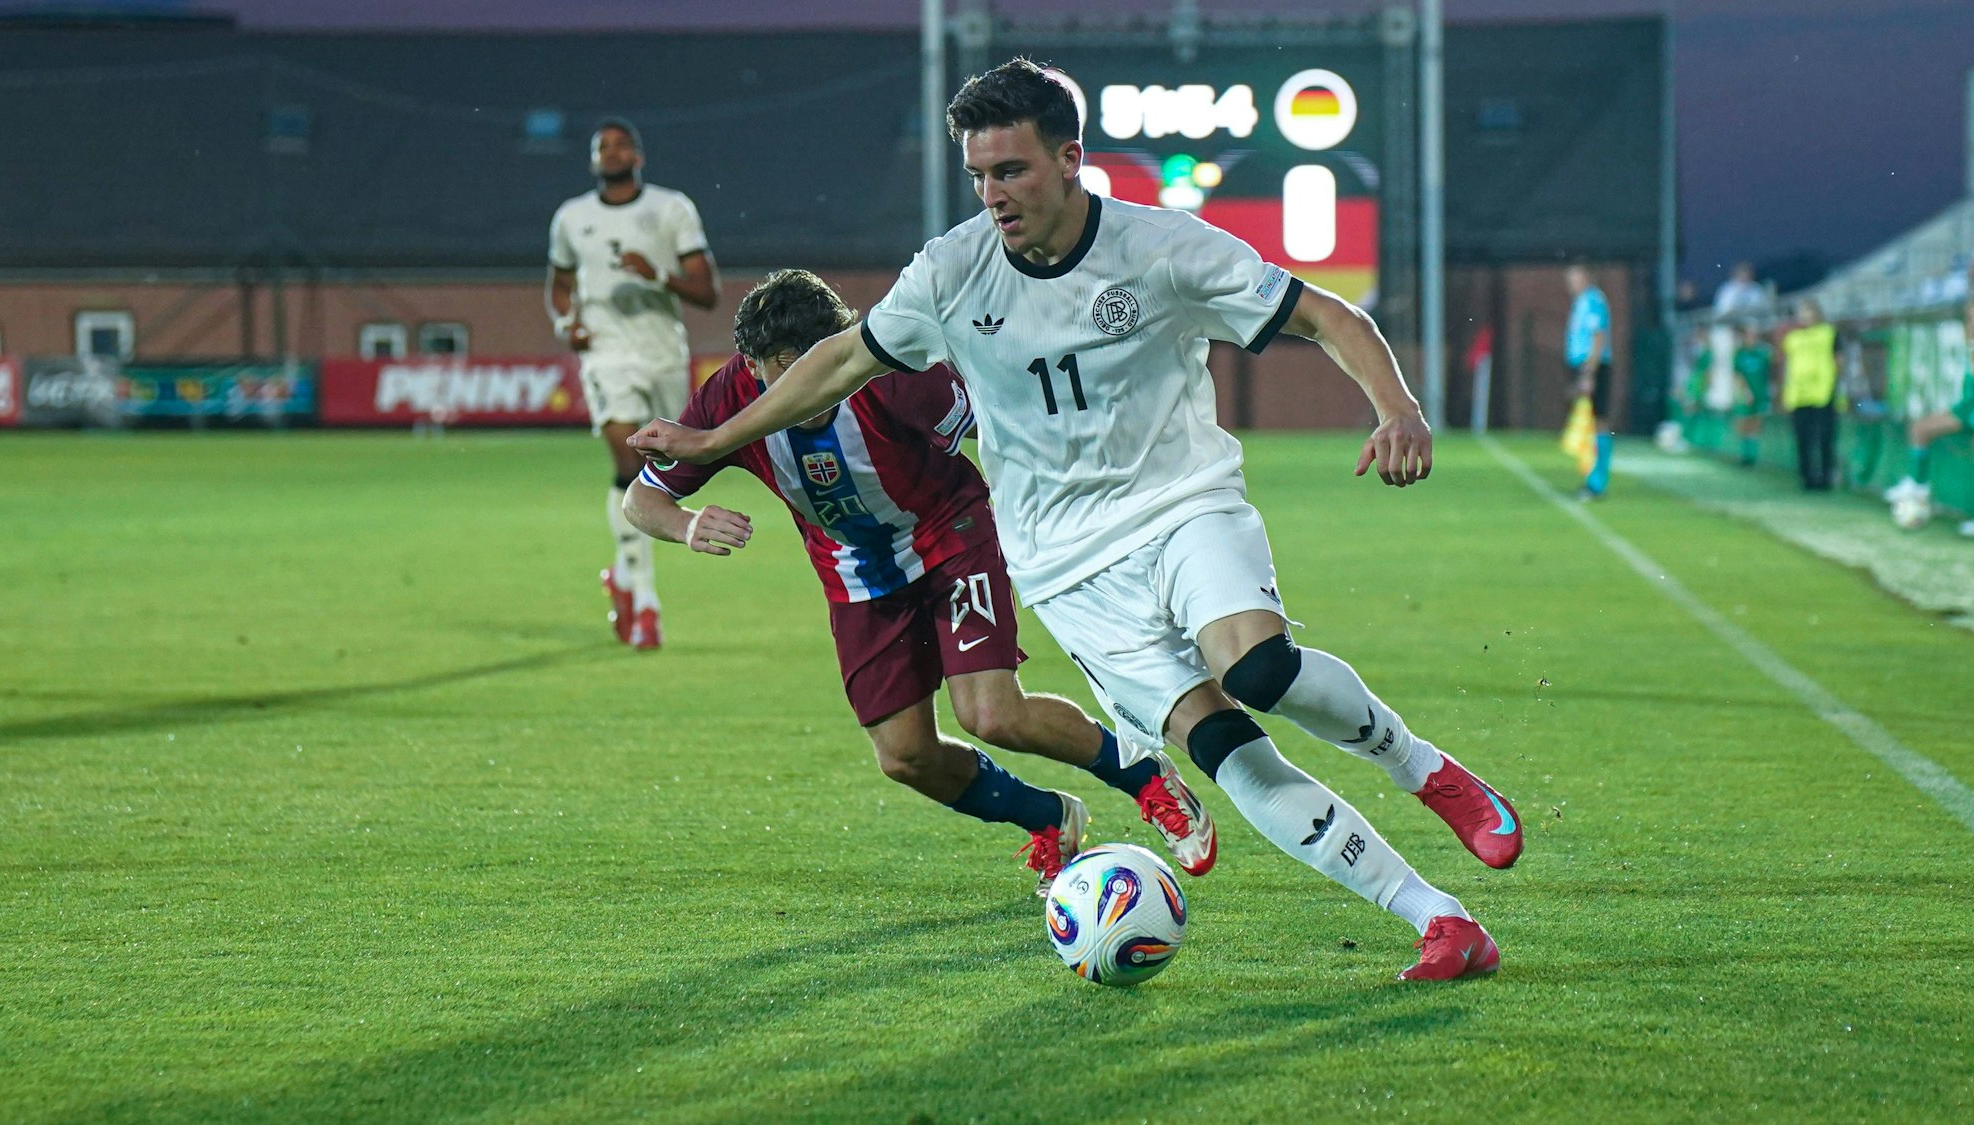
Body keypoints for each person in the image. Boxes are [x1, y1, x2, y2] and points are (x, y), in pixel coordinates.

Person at [635, 59, 1520, 982]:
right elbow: (838, 362)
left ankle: (1425, 769)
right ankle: (1440, 918)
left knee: (1256, 666)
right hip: (1064, 564)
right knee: (1219, 744)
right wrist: (713, 443)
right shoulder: (950, 270)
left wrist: (1397, 408)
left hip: (1181, 504)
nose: (992, 195)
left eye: (1010, 171)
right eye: (977, 175)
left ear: (1070, 160)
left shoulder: (1163, 246)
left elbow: (1329, 317)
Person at [624, 268, 1216, 894]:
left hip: (949, 539)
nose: (799, 385)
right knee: (905, 757)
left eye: (811, 365)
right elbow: (643, 499)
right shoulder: (727, 399)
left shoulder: (895, 373)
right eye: (779, 370)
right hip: (856, 575)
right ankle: (1048, 818)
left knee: (991, 714)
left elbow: (1004, 433)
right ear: (751, 364)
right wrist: (687, 525)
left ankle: (1144, 777)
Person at [546, 117, 719, 650]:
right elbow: (558, 286)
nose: (613, 153)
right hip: (606, 354)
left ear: (638, 156)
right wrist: (565, 324)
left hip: (663, 353)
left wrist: (656, 275)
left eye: (622, 145)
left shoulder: (671, 209)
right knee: (627, 460)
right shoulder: (572, 218)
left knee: (658, 470)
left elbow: (707, 291)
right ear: (593, 159)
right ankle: (646, 602)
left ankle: (622, 578)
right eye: (604, 146)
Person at [1882, 283, 1974, 535]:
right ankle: (1918, 487)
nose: (1969, 320)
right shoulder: (1970, 343)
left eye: (1971, 315)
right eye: (1967, 316)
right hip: (1966, 407)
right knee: (1920, 428)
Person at [1566, 265, 1615, 500]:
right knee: (1588, 422)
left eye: (1575, 279)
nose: (1571, 284)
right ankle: (1590, 478)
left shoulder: (1594, 300)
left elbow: (1598, 337)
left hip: (1593, 367)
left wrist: (1589, 373)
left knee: (1598, 422)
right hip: (1583, 366)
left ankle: (1597, 481)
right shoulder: (1582, 301)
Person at [1780, 299, 1839, 491]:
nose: (1807, 317)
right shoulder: (1793, 338)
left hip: (1823, 393)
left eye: (1810, 312)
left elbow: (1839, 361)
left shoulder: (1829, 333)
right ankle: (1806, 478)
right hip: (1798, 396)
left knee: (1824, 438)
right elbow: (1786, 366)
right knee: (1802, 439)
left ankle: (1825, 478)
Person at [1730, 322, 1775, 467]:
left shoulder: (1763, 353)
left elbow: (1772, 370)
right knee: (1744, 423)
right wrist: (1744, 391)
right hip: (1745, 394)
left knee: (1756, 424)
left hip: (1761, 393)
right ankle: (1745, 455)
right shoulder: (1739, 353)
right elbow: (1737, 374)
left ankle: (1752, 457)